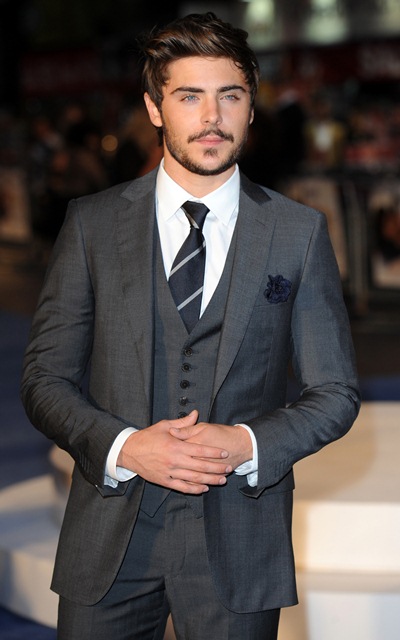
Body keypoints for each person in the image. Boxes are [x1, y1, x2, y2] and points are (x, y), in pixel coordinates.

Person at [21, 12, 360, 640]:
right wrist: (125, 447)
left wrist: (247, 444)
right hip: (111, 538)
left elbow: (335, 393)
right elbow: (44, 379)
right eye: (188, 97)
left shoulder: (298, 232)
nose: (212, 117)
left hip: (240, 540)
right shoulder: (93, 225)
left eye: (230, 95)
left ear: (251, 107)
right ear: (154, 108)